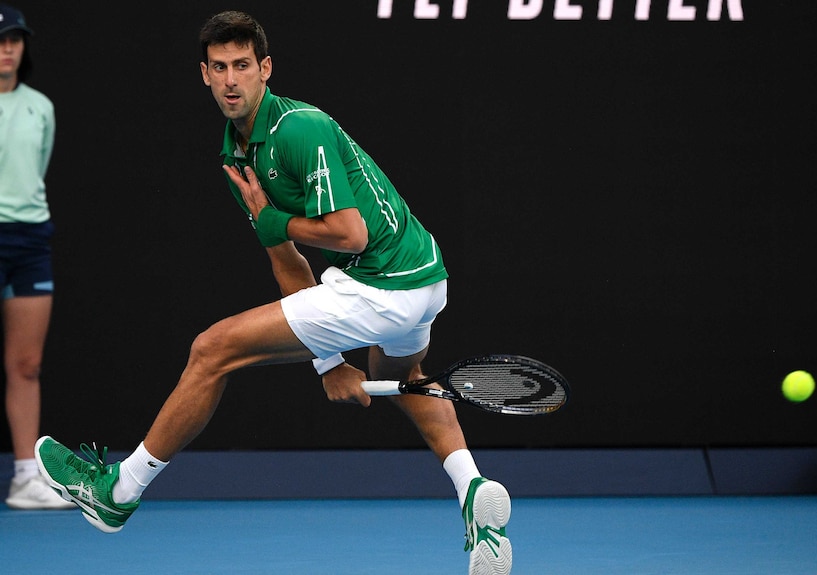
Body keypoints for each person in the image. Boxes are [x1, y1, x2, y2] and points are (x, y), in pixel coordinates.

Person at [35, 10, 512, 574]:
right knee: (400, 378)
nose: (231, 80)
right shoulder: (236, 154)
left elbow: (347, 232)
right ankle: (472, 493)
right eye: (220, 68)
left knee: (211, 351)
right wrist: (330, 363)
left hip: (380, 281)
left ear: (265, 69)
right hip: (422, 277)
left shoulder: (297, 129)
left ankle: (119, 493)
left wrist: (277, 224)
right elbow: (286, 262)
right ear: (204, 76)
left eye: (243, 66)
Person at [0, 4, 74, 510]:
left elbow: (34, 170)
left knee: (26, 363)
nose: (6, 49)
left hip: (27, 240)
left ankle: (27, 477)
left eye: (14, 40)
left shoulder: (40, 106)